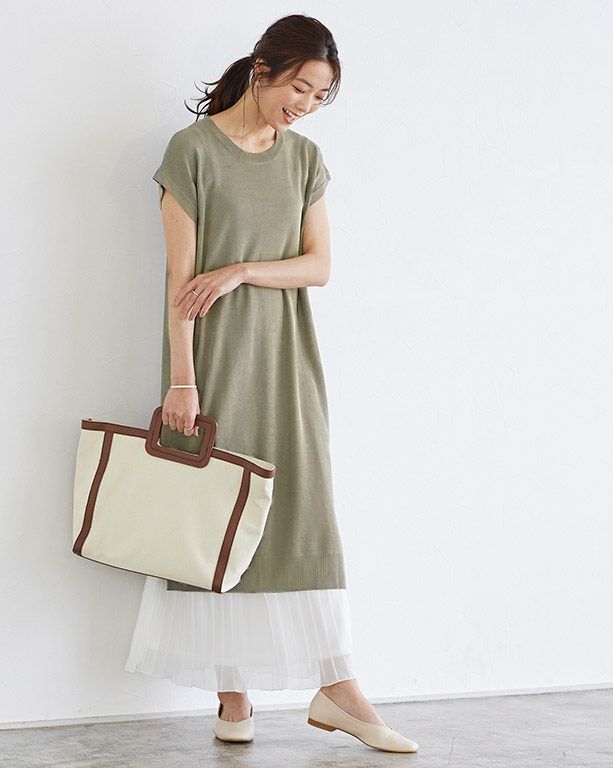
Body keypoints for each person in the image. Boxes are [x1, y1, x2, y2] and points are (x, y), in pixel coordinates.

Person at [125, 14, 418, 754]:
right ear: (263, 70)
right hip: (214, 361)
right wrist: (182, 384)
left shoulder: (305, 159)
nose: (306, 106)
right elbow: (179, 283)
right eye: (300, 88)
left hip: (288, 358)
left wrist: (242, 270)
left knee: (301, 511)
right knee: (217, 518)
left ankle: (338, 685)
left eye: (321, 96)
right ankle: (233, 694)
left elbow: (319, 266)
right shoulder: (192, 151)